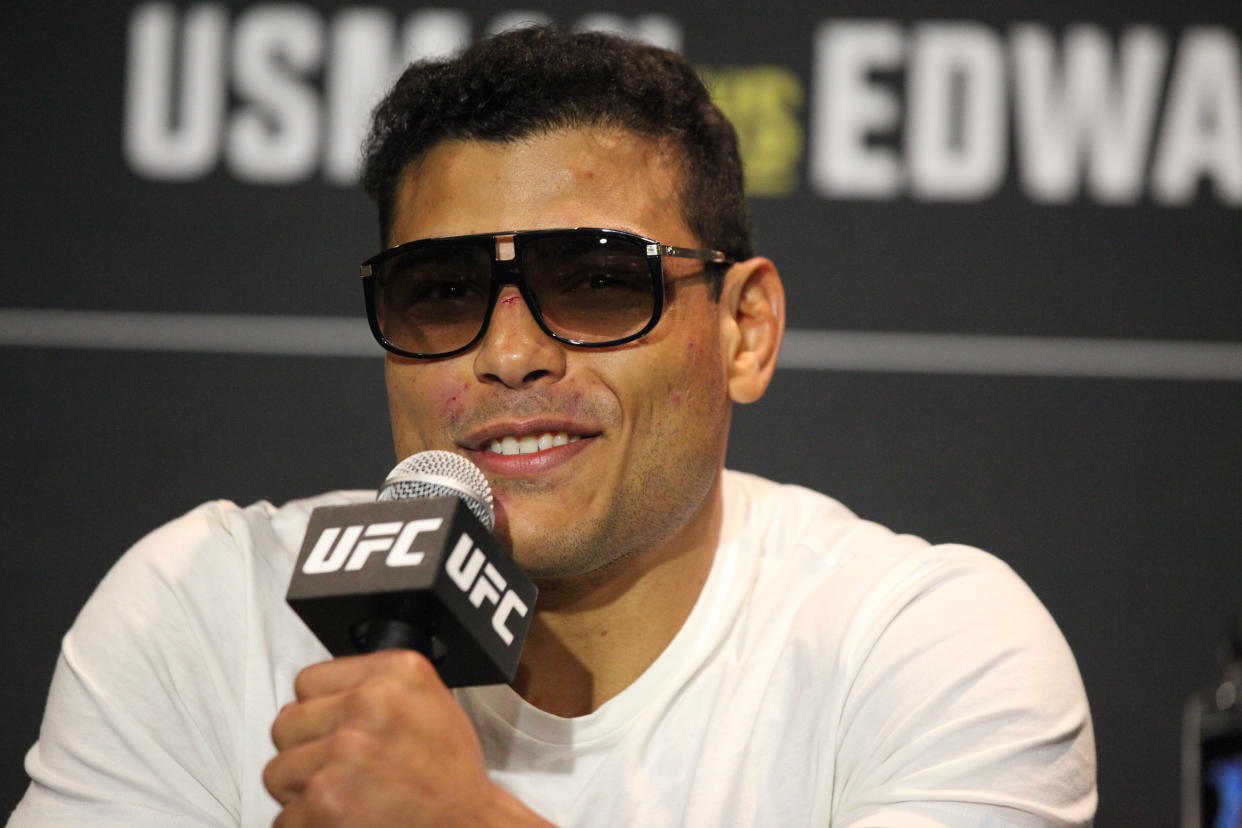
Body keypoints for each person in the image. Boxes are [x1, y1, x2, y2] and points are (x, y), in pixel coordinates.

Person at [9, 25, 1096, 827]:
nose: (510, 352)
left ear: (745, 331)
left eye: (595, 283)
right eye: (440, 291)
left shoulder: (926, 649)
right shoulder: (200, 612)